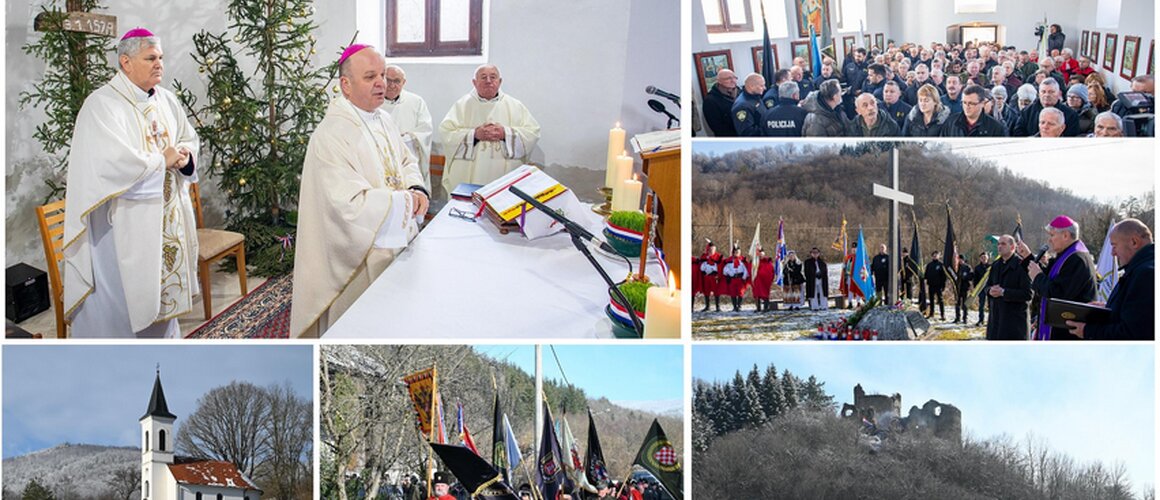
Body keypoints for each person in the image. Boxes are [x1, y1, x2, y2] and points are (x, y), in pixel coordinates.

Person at [63, 28, 200, 338]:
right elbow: (109, 164)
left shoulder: (166, 100)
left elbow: (188, 137)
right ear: (125, 62)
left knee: (164, 302)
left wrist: (185, 156)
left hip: (167, 217)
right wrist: (159, 161)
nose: (159, 64)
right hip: (122, 225)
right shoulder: (101, 105)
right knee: (124, 305)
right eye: (150, 58)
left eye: (161, 58)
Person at [291, 45, 429, 336]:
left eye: (382, 74)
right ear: (346, 85)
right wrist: (406, 202)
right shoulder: (332, 134)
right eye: (370, 77)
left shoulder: (384, 119)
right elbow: (346, 206)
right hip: (357, 260)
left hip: (397, 240)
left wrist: (417, 188)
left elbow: (406, 161)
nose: (382, 82)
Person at [439, 64, 541, 194]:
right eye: (483, 77)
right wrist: (474, 134)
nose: (488, 81)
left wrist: (505, 133)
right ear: (474, 82)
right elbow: (446, 133)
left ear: (500, 81)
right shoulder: (462, 105)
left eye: (493, 77)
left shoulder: (515, 106)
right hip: (469, 176)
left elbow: (533, 132)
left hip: (503, 174)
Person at [1067, 219, 1154, 340]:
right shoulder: (1140, 269)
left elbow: (1133, 334)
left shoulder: (1146, 274)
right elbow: (1137, 312)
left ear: (1134, 242)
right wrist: (1111, 307)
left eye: (1114, 245)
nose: (1113, 253)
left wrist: (1088, 331)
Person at [1018, 215, 1097, 340]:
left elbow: (1058, 294)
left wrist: (1037, 277)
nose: (1049, 240)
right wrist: (1028, 257)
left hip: (1067, 333)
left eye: (1052, 235)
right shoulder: (1067, 255)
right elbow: (1049, 278)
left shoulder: (1077, 259)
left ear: (1065, 235)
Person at [380, 65, 434, 192]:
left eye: (397, 81)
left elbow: (425, 131)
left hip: (408, 163)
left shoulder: (416, 102)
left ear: (404, 82)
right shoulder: (373, 102)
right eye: (388, 80)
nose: (392, 85)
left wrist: (406, 138)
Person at [986, 235, 1033, 340]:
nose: (999, 246)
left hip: (1015, 324)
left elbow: (1028, 294)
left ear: (1012, 247)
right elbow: (987, 286)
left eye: (1003, 244)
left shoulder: (1022, 265)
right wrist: (990, 291)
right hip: (996, 322)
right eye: (998, 244)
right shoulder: (995, 265)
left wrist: (1004, 292)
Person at [1014, 79, 1079, 136]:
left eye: (1051, 92)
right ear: (1039, 94)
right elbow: (1018, 133)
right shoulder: (1027, 111)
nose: (1047, 95)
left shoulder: (1071, 115)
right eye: (1043, 92)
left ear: (1059, 94)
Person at [942, 84, 1008, 136]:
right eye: (964, 102)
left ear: (982, 103)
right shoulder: (950, 123)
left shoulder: (996, 127)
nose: (967, 107)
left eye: (971, 103)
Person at [702, 68, 740, 136]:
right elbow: (717, 127)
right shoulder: (710, 100)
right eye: (728, 78)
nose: (733, 81)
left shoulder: (741, 92)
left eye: (734, 78)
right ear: (719, 81)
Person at [731, 73, 767, 137]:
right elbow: (747, 132)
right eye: (761, 86)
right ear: (751, 86)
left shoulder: (755, 96)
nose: (764, 88)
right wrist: (768, 128)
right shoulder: (742, 106)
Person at [722, 246, 750, 311]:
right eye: (736, 252)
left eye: (738, 252)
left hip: (740, 279)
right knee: (733, 293)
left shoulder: (742, 260)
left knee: (741, 292)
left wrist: (744, 277)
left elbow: (746, 269)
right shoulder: (729, 261)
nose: (737, 253)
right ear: (733, 253)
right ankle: (734, 306)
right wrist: (730, 273)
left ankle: (739, 305)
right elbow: (725, 270)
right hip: (733, 279)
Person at [699, 242, 723, 311]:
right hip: (706, 277)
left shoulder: (718, 256)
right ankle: (707, 306)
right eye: (710, 249)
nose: (711, 250)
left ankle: (717, 307)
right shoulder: (704, 256)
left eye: (713, 249)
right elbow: (701, 265)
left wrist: (717, 274)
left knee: (716, 291)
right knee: (706, 291)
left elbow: (720, 266)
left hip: (714, 277)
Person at [924, 250, 946, 320]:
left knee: (940, 300)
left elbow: (944, 276)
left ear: (939, 256)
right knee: (931, 300)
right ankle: (931, 313)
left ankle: (942, 315)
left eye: (936, 255)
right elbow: (926, 275)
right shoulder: (929, 265)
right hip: (931, 285)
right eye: (933, 255)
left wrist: (943, 285)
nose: (935, 256)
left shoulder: (941, 265)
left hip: (939, 286)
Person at [752, 247, 775, 312]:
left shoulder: (768, 262)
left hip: (765, 282)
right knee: (757, 294)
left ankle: (766, 307)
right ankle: (758, 308)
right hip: (757, 281)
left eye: (761, 255)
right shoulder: (755, 262)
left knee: (765, 294)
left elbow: (770, 271)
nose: (760, 256)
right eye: (759, 255)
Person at [953, 254, 974, 323]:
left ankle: (965, 318)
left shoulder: (967, 267)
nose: (960, 261)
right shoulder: (956, 267)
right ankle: (957, 318)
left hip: (965, 288)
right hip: (957, 288)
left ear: (964, 260)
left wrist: (965, 277)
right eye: (959, 259)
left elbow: (971, 276)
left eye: (961, 259)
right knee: (957, 303)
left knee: (965, 304)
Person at [973, 251, 990, 326]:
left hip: (990, 288)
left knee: (991, 305)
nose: (984, 259)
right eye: (982, 257)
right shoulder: (977, 268)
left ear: (987, 258)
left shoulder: (991, 267)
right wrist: (975, 289)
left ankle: (991, 321)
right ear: (980, 258)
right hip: (981, 289)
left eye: (985, 257)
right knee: (981, 305)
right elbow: (975, 279)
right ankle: (981, 320)